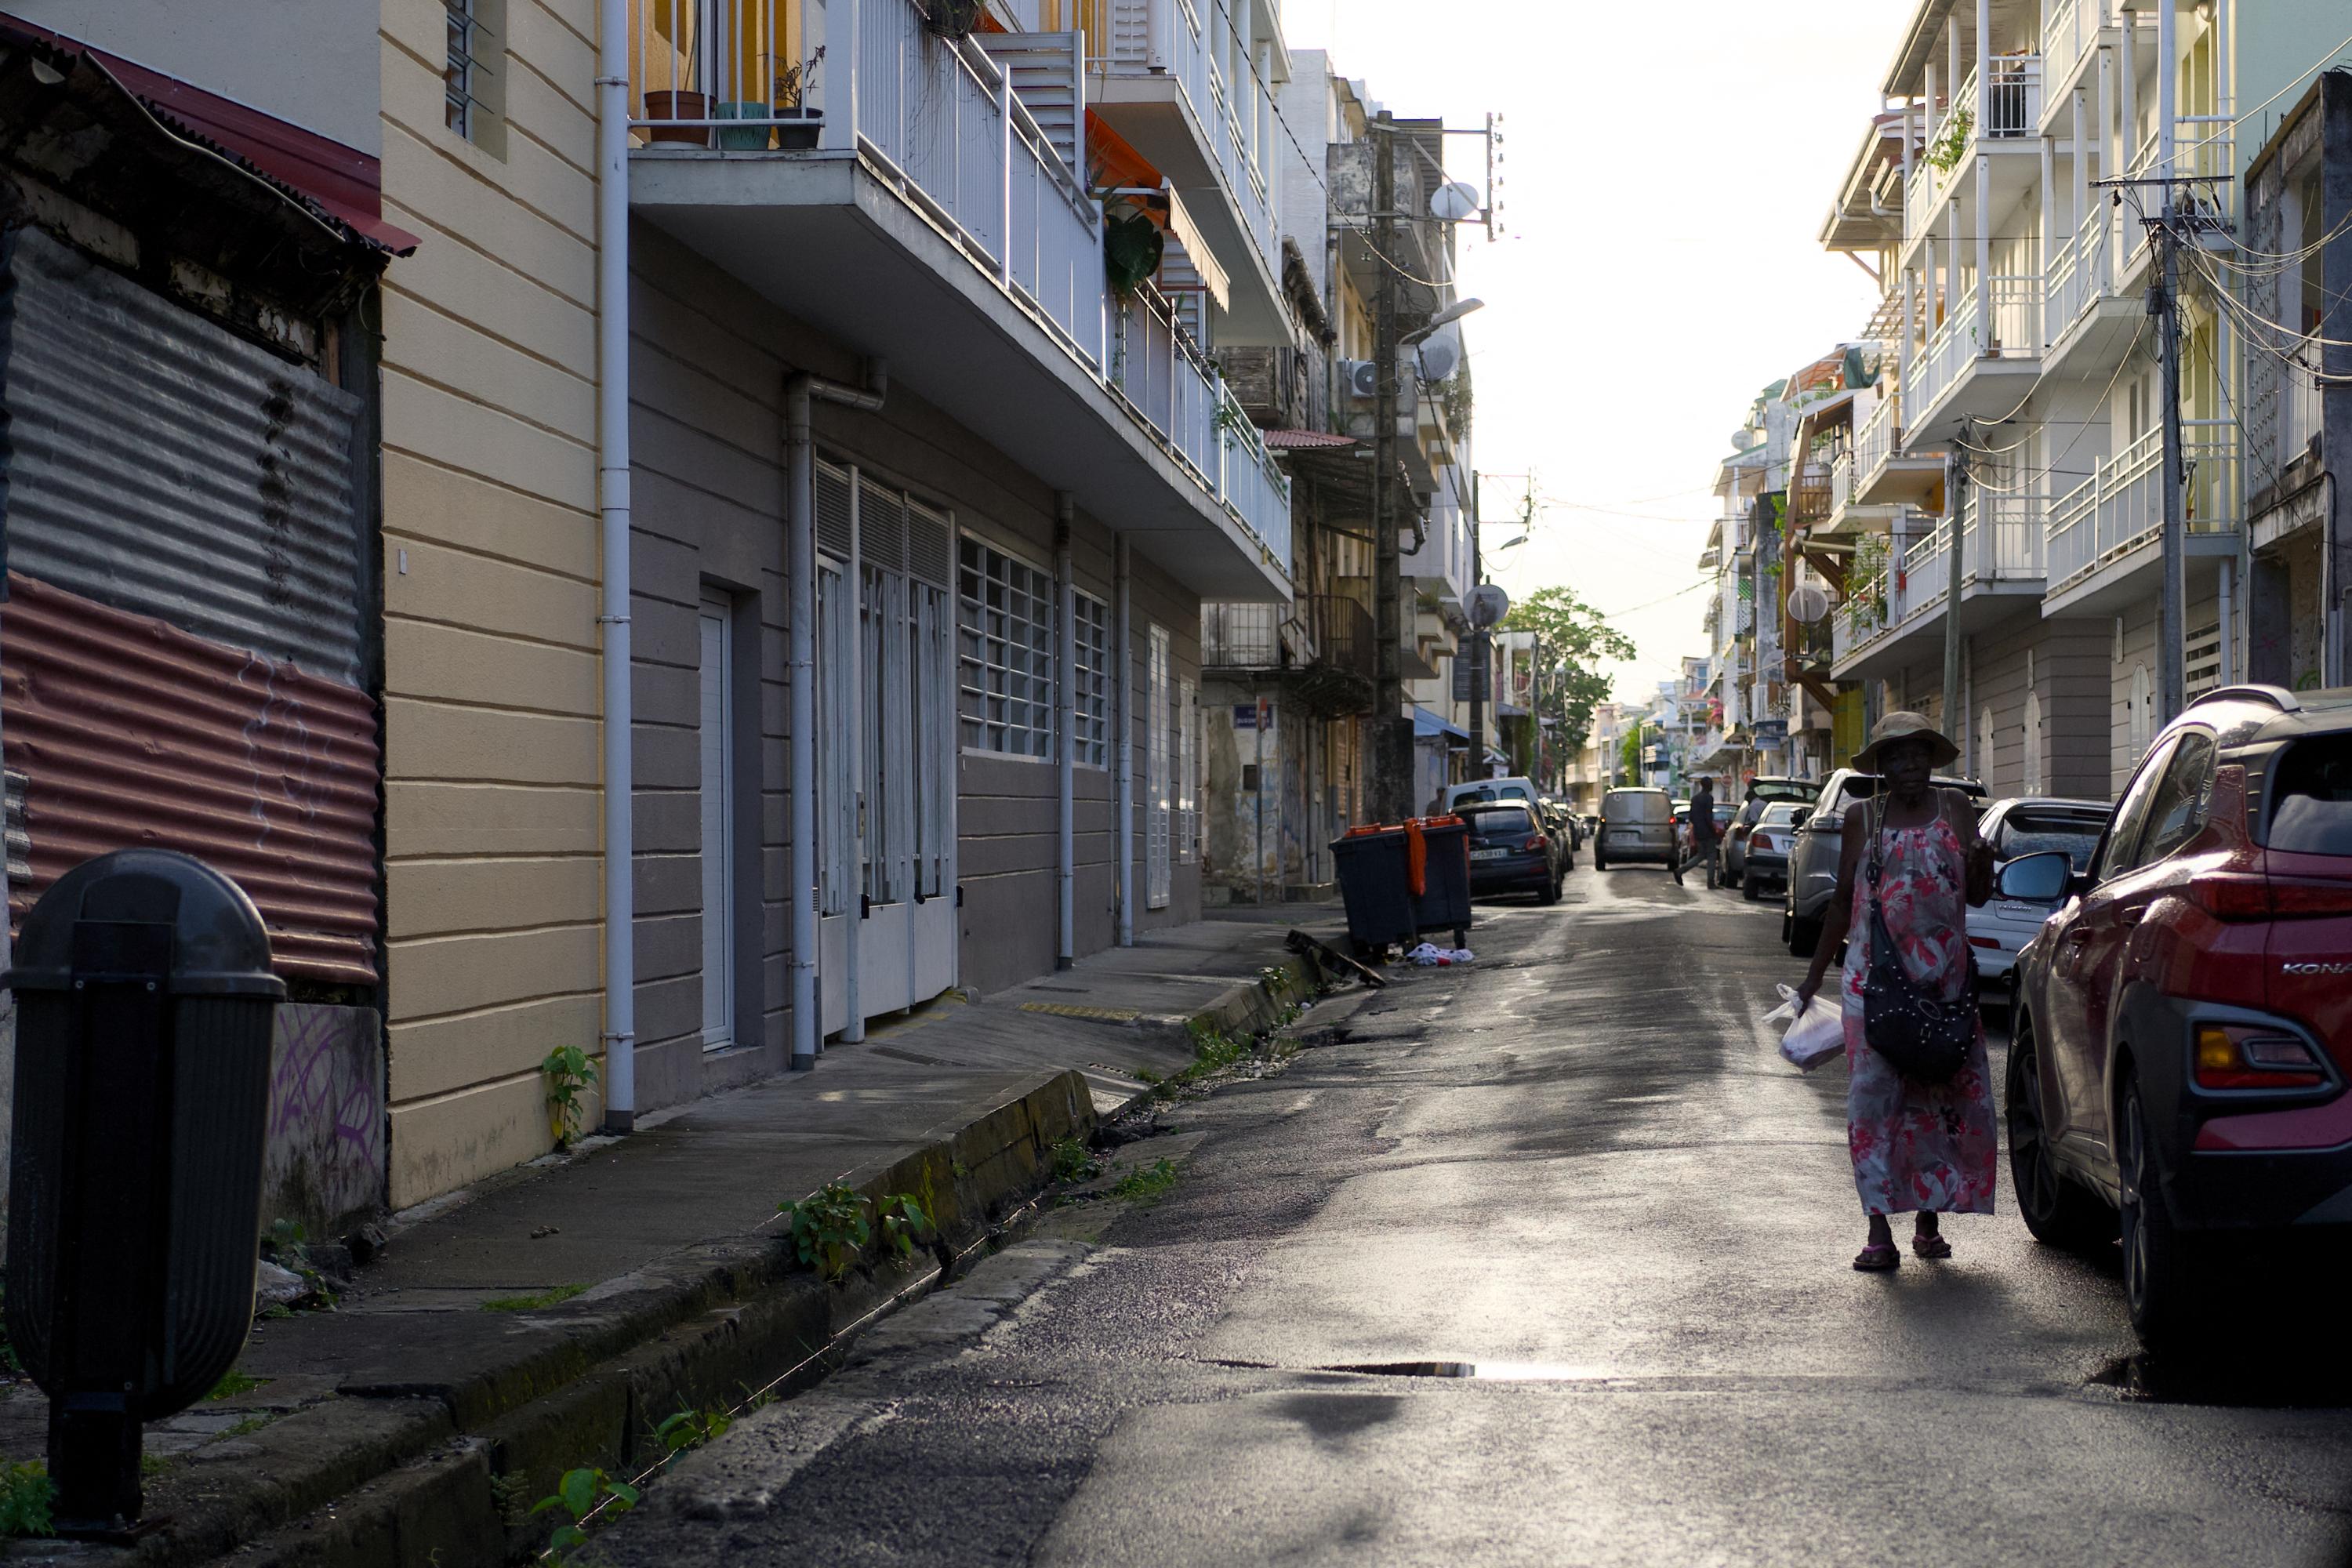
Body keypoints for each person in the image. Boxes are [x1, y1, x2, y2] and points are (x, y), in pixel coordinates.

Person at [1792, 713, 1994, 1272]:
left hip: (1945, 985)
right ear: (1881, 768)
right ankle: (1879, 1229)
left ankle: (1928, 1222)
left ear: (1932, 759)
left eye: (1917, 754)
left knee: (1935, 1100)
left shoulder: (1956, 810)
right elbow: (1841, 903)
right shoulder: (1862, 817)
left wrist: (1982, 861)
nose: (1908, 766)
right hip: (1872, 983)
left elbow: (1977, 895)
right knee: (1875, 1104)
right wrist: (1814, 977)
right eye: (1896, 757)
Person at [1688, 775, 1719, 888]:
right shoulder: (1708, 798)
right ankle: (1710, 882)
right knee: (1712, 855)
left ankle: (1681, 870)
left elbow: (1691, 817)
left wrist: (1698, 826)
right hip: (1707, 832)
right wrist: (1713, 830)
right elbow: (1708, 817)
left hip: (1698, 831)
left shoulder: (1695, 798)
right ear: (1708, 785)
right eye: (1711, 784)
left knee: (1701, 855)